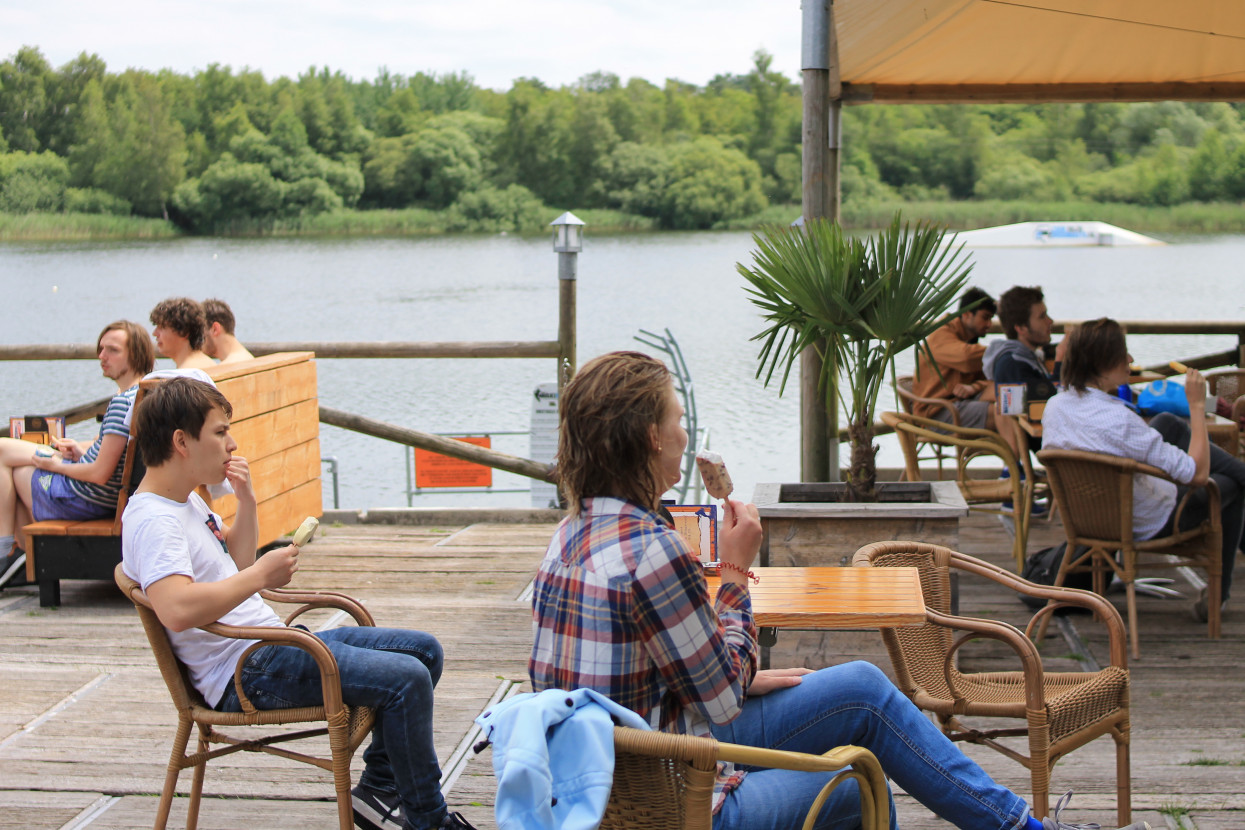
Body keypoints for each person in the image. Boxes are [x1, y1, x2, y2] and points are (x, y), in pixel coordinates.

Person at [529, 350, 1148, 830]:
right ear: (650, 438)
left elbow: (639, 675)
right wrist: (739, 574)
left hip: (605, 782)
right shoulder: (654, 551)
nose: (686, 436)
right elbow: (717, 702)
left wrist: (736, 674)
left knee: (861, 689)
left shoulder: (571, 533)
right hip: (674, 799)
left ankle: (1015, 823)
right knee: (857, 785)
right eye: (679, 421)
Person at [120, 378, 476, 830]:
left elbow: (237, 563)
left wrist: (246, 502)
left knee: (424, 652)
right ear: (181, 441)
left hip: (270, 648)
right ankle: (430, 821)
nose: (231, 444)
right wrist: (258, 577)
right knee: (406, 680)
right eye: (220, 432)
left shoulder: (185, 499)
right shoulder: (154, 520)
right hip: (245, 670)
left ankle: (379, 792)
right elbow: (176, 609)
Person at [1043, 318, 1245, 623]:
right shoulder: (1120, 420)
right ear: (1102, 362)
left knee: (1165, 422)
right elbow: (1198, 476)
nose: (1131, 360)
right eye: (1124, 353)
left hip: (1092, 518)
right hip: (1144, 519)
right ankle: (1219, 597)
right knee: (1226, 485)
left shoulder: (1055, 406)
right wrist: (1197, 406)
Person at [0, 320, 155, 588]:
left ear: (136, 354)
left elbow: (99, 473)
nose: (102, 356)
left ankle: (7, 553)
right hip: (101, 494)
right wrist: (81, 452)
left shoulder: (122, 404)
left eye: (113, 350)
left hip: (83, 496)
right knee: (10, 458)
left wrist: (56, 466)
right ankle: (20, 557)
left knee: (6, 456)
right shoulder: (140, 394)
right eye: (101, 349)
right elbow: (111, 460)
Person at [911, 287, 1000, 432]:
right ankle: (1018, 453)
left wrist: (975, 387)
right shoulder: (941, 334)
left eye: (991, 319)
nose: (989, 324)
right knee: (1003, 413)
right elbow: (967, 359)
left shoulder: (968, 340)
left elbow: (990, 377)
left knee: (1005, 395)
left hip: (959, 403)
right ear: (966, 314)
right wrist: (1003, 351)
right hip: (935, 414)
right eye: (985, 318)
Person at [985, 285, 1064, 404]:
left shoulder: (1027, 356)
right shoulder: (1012, 364)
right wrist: (1061, 359)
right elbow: (1049, 400)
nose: (1050, 321)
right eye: (1042, 317)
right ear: (1021, 328)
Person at [150, 297, 215, 369]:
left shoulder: (186, 373)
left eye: (162, 327)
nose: (154, 333)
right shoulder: (209, 364)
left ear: (183, 331)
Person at [202, 298, 255, 364]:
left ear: (215, 329)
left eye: (200, 333)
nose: (197, 342)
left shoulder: (226, 368)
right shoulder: (248, 358)